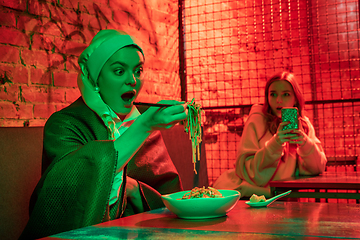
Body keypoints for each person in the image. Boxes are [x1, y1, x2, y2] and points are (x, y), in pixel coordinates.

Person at [19, 29, 187, 239]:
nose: (132, 80)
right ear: (96, 78)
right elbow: (67, 196)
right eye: (119, 71)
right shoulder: (65, 124)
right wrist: (144, 126)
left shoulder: (144, 125)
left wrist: (133, 189)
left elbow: (170, 199)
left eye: (138, 70)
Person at [213, 71, 327, 198]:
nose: (278, 100)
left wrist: (305, 143)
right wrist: (276, 143)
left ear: (295, 98)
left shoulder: (303, 125)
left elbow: (318, 167)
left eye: (286, 94)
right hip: (246, 191)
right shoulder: (257, 119)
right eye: (273, 94)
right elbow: (249, 172)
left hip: (281, 196)